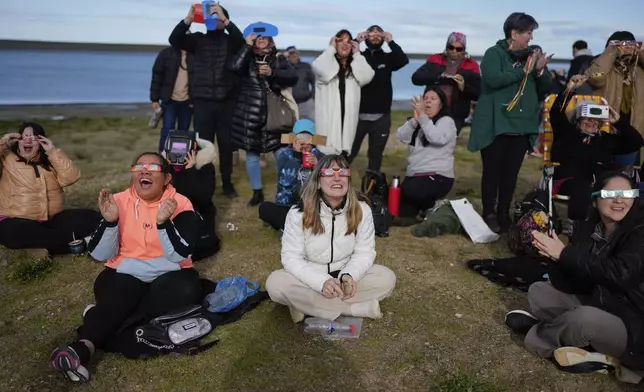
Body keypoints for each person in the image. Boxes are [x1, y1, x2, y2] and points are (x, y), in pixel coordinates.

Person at [50, 152, 201, 383]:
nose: (144, 171)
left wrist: (163, 223)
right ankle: (82, 348)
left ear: (167, 178)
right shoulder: (118, 201)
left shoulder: (180, 203)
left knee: (186, 291)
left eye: (152, 168)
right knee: (119, 294)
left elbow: (179, 254)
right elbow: (100, 254)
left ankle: (97, 317)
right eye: (139, 166)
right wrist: (110, 221)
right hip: (125, 271)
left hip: (170, 272)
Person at [505, 172, 644, 382]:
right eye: (611, 193)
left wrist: (564, 254)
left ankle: (539, 334)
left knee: (583, 319)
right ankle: (587, 348)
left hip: (634, 327)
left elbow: (620, 274)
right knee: (540, 291)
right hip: (604, 303)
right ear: (595, 200)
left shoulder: (639, 231)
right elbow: (579, 281)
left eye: (626, 193)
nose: (619, 200)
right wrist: (555, 258)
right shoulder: (590, 228)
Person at [265, 154, 396, 323]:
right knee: (275, 284)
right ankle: (354, 309)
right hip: (311, 276)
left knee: (386, 278)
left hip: (345, 273)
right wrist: (321, 282)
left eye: (343, 173)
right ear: (318, 181)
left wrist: (349, 276)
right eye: (329, 172)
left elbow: (365, 252)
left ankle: (305, 306)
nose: (337, 177)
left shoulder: (362, 210)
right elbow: (291, 258)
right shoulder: (298, 213)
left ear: (348, 180)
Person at [468, 12, 553, 233]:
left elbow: (545, 88)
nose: (531, 37)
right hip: (496, 125)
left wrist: (541, 70)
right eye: (528, 33)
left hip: (521, 127)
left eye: (532, 33)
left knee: (510, 175)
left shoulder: (532, 57)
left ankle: (504, 214)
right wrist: (524, 72)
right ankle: (489, 213)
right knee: (492, 173)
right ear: (514, 33)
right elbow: (493, 79)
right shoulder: (493, 54)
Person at [169, 3, 244, 198]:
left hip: (227, 102)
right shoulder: (197, 40)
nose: (215, 20)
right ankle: (205, 182)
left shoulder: (231, 41)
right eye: (211, 17)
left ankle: (227, 184)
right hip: (202, 101)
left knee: (226, 144)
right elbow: (174, 39)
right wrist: (188, 20)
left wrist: (225, 19)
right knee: (204, 144)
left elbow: (242, 42)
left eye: (218, 17)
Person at [0, 123, 101, 258]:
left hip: (51, 220)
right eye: (25, 136)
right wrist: (3, 143)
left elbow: (71, 177)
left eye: (33, 137)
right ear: (18, 141)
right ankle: (80, 245)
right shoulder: (6, 159)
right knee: (14, 232)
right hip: (15, 221)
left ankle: (40, 247)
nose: (28, 140)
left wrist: (52, 151)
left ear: (41, 142)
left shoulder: (49, 163)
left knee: (90, 217)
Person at [229, 27, 299, 207]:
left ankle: (285, 188)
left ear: (270, 40)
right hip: (250, 114)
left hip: (275, 115)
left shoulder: (279, 58)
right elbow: (233, 68)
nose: (260, 39)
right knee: (252, 155)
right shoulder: (246, 57)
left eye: (264, 36)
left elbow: (293, 77)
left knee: (282, 154)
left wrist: (272, 73)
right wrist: (246, 46)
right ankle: (257, 192)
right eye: (257, 36)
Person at [549, 92, 643, 221]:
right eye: (587, 118)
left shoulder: (604, 139)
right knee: (583, 187)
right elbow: (556, 113)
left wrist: (618, 122)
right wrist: (569, 89)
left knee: (627, 187)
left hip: (603, 182)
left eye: (596, 119)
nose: (592, 122)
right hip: (571, 180)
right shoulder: (566, 134)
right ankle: (578, 228)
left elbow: (636, 142)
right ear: (577, 119)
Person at [574, 31, 644, 169]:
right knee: (597, 175)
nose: (625, 48)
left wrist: (640, 52)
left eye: (630, 45)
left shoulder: (639, 68)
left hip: (631, 133)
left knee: (623, 177)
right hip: (603, 131)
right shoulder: (599, 63)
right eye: (621, 44)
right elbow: (594, 77)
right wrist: (612, 52)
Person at [348, 25, 409, 172]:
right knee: (349, 153)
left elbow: (403, 60)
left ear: (383, 38)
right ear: (366, 37)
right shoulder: (358, 56)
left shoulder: (387, 58)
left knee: (375, 155)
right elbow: (342, 56)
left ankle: (372, 187)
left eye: (378, 35)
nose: (375, 37)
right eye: (372, 34)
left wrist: (391, 42)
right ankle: (336, 179)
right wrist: (356, 40)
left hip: (381, 116)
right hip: (357, 115)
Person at [393, 87, 457, 224]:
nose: (428, 101)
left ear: (441, 104)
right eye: (425, 98)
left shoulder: (447, 121)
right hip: (414, 175)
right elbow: (401, 136)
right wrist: (414, 121)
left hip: (437, 176)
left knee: (411, 191)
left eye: (433, 99)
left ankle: (435, 206)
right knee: (400, 209)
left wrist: (423, 118)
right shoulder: (420, 121)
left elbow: (437, 138)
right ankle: (423, 210)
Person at [312, 30, 375, 156]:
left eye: (348, 42)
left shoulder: (354, 69)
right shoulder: (326, 65)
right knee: (324, 161)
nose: (345, 44)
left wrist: (357, 54)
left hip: (347, 124)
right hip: (327, 123)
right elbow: (320, 68)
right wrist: (331, 48)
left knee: (343, 161)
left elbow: (368, 75)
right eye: (341, 41)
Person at [259, 119, 324, 232]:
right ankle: (291, 226)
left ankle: (293, 227)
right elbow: (286, 182)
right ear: (294, 139)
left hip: (311, 206)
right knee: (264, 208)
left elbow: (328, 182)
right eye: (300, 138)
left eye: (307, 138)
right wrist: (297, 155)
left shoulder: (320, 156)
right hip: (288, 205)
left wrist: (317, 165)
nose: (304, 143)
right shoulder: (284, 156)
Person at [411, 32, 481, 135]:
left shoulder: (471, 65)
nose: (454, 51)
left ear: (464, 49)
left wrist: (462, 87)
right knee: (426, 141)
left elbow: (478, 93)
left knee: (446, 145)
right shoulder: (435, 59)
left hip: (456, 113)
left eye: (459, 49)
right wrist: (439, 77)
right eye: (451, 47)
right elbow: (416, 78)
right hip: (431, 110)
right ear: (446, 46)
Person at [165, 136, 221, 261]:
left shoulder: (206, 168)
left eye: (182, 148)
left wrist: (190, 172)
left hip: (197, 223)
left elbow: (202, 198)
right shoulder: (166, 169)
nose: (178, 153)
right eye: (174, 147)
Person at [150, 45, 192, 152]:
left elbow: (199, 79)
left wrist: (195, 99)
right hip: (169, 100)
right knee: (167, 130)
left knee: (182, 133)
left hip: (187, 101)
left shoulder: (194, 55)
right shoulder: (166, 53)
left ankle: (178, 160)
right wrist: (154, 99)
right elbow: (157, 76)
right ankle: (163, 158)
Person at [286, 46, 316, 121]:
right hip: (291, 104)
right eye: (290, 54)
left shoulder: (306, 66)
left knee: (314, 124)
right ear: (287, 56)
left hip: (307, 103)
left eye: (294, 53)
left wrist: (314, 97)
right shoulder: (285, 68)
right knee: (293, 126)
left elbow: (314, 82)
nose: (293, 56)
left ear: (298, 54)